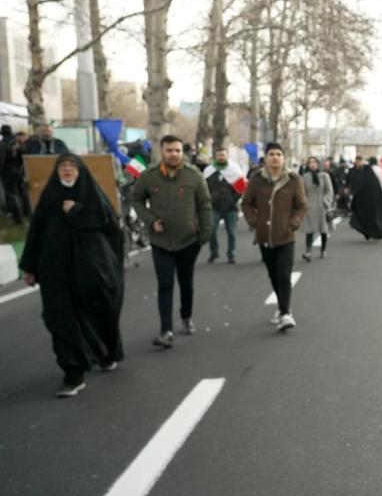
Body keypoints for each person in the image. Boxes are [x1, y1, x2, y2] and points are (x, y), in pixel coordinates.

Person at [19, 153, 124, 397]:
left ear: (80, 171)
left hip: (91, 271)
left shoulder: (93, 196)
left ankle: (105, 354)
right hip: (56, 272)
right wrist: (30, 266)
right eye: (63, 167)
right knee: (61, 320)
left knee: (99, 314)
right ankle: (73, 374)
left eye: (72, 167)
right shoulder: (49, 198)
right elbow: (36, 233)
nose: (67, 171)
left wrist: (77, 211)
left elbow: (110, 227)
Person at [131, 135, 213, 348]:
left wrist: (204, 234)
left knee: (186, 282)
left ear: (182, 153)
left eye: (178, 150)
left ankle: (186, 317)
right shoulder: (149, 176)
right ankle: (166, 330)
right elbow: (136, 200)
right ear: (162, 152)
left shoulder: (193, 175)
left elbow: (204, 205)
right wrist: (150, 221)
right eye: (170, 150)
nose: (174, 154)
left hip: (189, 240)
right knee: (165, 283)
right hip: (161, 241)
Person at [242, 142, 306, 331]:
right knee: (273, 274)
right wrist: (255, 221)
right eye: (271, 154)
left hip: (286, 235)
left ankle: (285, 313)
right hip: (264, 236)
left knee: (284, 274)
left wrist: (293, 223)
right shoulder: (257, 179)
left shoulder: (293, 180)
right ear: (266, 158)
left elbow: (301, 206)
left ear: (284, 157)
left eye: (279, 154)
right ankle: (282, 306)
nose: (275, 157)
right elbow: (246, 203)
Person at [204, 147, 243, 264]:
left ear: (227, 156)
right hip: (214, 207)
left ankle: (231, 254)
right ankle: (214, 252)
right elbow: (203, 188)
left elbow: (241, 189)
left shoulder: (234, 170)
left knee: (231, 232)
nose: (221, 157)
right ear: (215, 156)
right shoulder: (209, 171)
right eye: (219, 155)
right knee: (211, 230)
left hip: (230, 208)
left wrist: (233, 200)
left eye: (223, 155)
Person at [348, 155, 382, 241]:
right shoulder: (375, 180)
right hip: (376, 202)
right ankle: (376, 232)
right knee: (376, 218)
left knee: (363, 220)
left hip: (363, 205)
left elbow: (357, 192)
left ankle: (367, 233)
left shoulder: (362, 180)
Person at [300, 155, 334, 261]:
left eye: (314, 162)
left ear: (318, 164)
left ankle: (323, 249)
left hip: (322, 206)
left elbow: (329, 190)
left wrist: (326, 201)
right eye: (310, 163)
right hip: (310, 206)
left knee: (323, 230)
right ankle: (308, 251)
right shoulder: (305, 177)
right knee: (309, 230)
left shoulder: (324, 175)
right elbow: (302, 191)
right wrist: (305, 202)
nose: (312, 164)